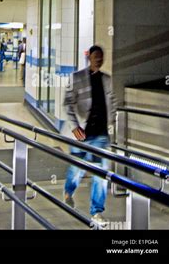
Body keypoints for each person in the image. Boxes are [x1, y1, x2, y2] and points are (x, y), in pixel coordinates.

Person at [62, 45, 117, 226]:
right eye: (96, 57)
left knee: (101, 174)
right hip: (82, 133)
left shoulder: (107, 79)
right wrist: (74, 126)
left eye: (101, 57)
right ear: (89, 58)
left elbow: (112, 102)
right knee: (77, 169)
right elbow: (67, 103)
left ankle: (97, 212)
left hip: (101, 134)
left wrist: (112, 122)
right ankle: (68, 192)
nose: (99, 60)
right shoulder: (77, 78)